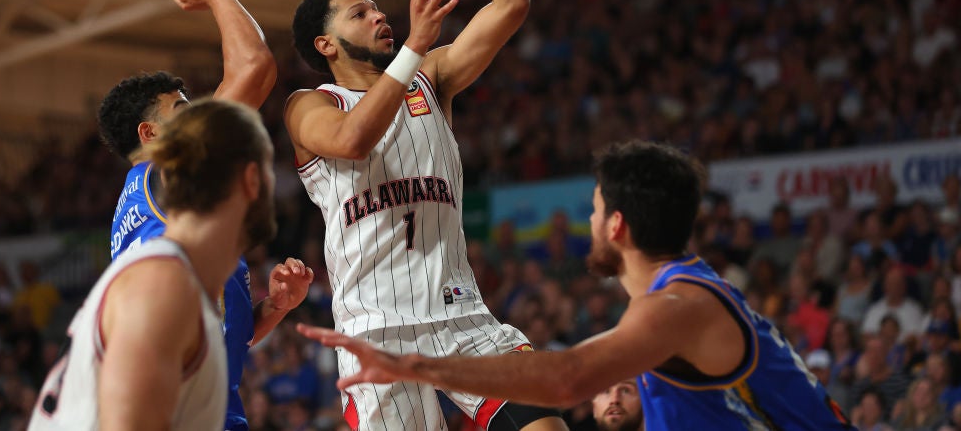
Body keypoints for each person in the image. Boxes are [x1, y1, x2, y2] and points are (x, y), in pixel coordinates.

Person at [299, 141, 855, 430]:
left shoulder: (679, 305)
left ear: (616, 226)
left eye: (593, 211)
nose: (590, 222)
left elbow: (568, 380)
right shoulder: (678, 298)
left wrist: (413, 366)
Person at [285, 0, 564, 431]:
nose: (379, 14)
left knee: (545, 421)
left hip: (462, 314)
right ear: (326, 44)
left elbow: (510, 5)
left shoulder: (428, 78)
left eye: (375, 7)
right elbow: (350, 140)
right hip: (376, 331)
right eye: (358, 13)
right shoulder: (309, 106)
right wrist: (413, 45)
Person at [28, 99, 313, 430]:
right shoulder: (163, 282)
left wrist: (277, 307)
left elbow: (226, 340)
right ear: (251, 179)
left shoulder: (183, 278)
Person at [97, 0, 282, 431]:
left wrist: (276, 307)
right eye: (182, 108)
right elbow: (255, 68)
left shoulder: (147, 206)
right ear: (152, 133)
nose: (199, 112)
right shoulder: (170, 171)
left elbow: (217, 333)